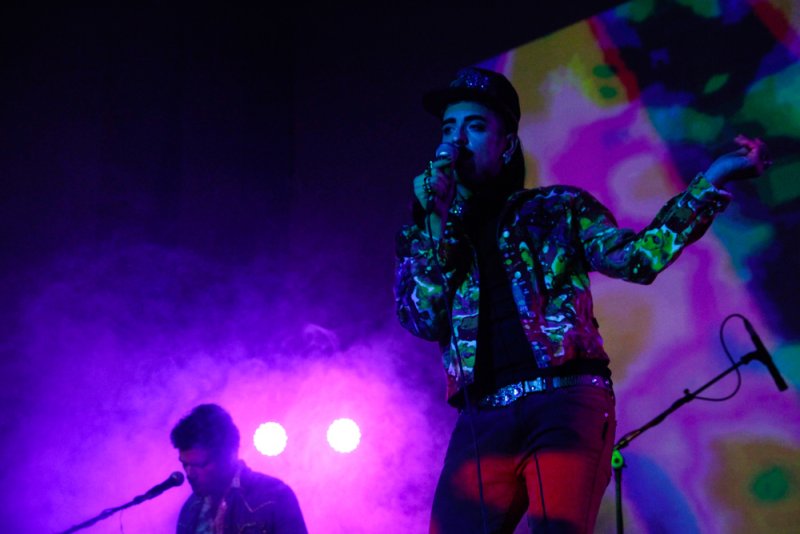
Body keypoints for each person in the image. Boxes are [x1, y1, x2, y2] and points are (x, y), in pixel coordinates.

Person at [393, 67, 771, 534]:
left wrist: (712, 180)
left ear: (507, 143)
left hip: (564, 403)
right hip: (481, 420)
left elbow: (639, 259)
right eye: (448, 128)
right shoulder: (427, 235)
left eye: (474, 126)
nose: (456, 141)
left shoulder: (557, 209)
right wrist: (435, 221)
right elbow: (423, 319)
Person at [170, 403, 308, 534]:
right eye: (185, 464)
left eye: (199, 464)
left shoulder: (274, 495)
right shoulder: (190, 509)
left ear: (227, 456)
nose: (189, 473)